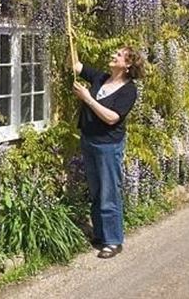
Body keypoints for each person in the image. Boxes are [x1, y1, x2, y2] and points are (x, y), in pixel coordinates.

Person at [72, 46, 144, 259]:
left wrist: (87, 98)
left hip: (108, 146)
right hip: (89, 141)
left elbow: (112, 117)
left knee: (109, 192)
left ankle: (113, 241)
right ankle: (100, 234)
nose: (113, 55)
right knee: (95, 191)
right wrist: (72, 39)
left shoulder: (129, 90)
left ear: (128, 64)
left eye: (119, 55)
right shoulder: (100, 77)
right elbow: (75, 65)